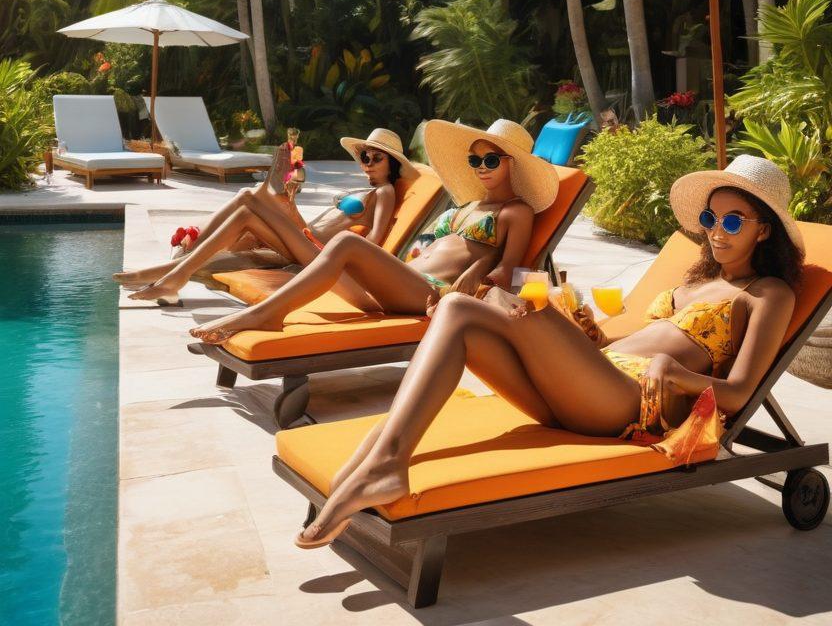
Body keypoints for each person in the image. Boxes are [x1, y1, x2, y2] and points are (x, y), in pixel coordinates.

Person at [292, 154, 804, 548]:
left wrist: (675, 372)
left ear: (764, 229)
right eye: (710, 217)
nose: (715, 231)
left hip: (631, 405)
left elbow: (739, 393)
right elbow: (633, 343)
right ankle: (387, 456)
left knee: (519, 305)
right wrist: (596, 338)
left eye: (733, 222)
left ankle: (380, 460)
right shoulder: (697, 279)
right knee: (455, 310)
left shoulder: (768, 294)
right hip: (594, 381)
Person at [188, 118, 560, 344]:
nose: (481, 167)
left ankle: (265, 315)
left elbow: (510, 270)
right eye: (474, 160)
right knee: (308, 243)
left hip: (430, 292)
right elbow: (425, 247)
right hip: (394, 285)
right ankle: (207, 276)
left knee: (346, 242)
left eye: (490, 160)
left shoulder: (516, 211)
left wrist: (477, 270)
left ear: (512, 165)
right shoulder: (466, 206)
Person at [115, 128, 419, 302]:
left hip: (318, 252)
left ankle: (173, 272)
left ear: (392, 164)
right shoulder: (366, 190)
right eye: (365, 157)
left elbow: (375, 240)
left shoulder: (385, 192)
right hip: (305, 237)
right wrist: (292, 209)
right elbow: (322, 226)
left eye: (377, 158)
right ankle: (170, 273)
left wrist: (341, 254)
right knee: (246, 205)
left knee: (249, 199)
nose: (368, 163)